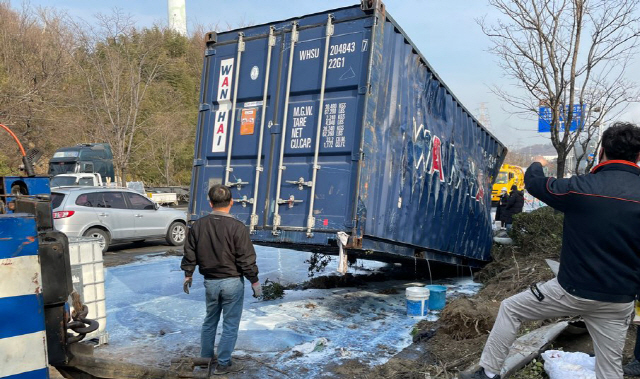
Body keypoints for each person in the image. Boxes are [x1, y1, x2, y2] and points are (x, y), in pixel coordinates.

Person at [462, 122, 640, 379]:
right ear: (637, 156)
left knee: (511, 309)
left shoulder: (580, 187)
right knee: (610, 369)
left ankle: (488, 373)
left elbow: (536, 184)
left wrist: (537, 163)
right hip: (618, 300)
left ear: (602, 151)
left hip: (571, 290)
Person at [181, 184, 261, 376]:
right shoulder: (238, 228)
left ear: (210, 203)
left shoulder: (198, 226)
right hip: (232, 282)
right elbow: (245, 258)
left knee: (210, 321)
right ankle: (223, 364)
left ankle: (205, 360)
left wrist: (188, 273)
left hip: (210, 282)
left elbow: (190, 252)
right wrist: (254, 281)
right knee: (230, 324)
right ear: (231, 202)